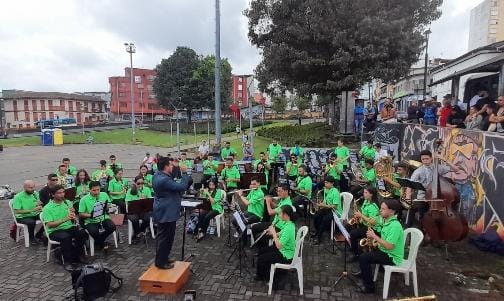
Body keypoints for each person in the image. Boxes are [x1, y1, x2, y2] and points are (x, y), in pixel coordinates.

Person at [355, 199, 404, 294]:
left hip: (392, 257)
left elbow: (389, 246)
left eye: (383, 209)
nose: (380, 211)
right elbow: (385, 239)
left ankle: (369, 288)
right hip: (386, 251)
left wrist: (374, 237)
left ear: (391, 211)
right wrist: (376, 243)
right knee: (365, 253)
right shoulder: (387, 221)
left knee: (363, 258)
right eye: (380, 208)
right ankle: (364, 272)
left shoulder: (395, 226)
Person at [153, 157, 192, 269]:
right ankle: (161, 262)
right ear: (166, 166)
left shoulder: (159, 174)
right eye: (170, 165)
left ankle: (163, 258)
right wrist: (184, 172)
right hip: (166, 212)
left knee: (166, 237)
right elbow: (182, 186)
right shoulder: (163, 180)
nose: (172, 167)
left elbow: (173, 176)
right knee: (165, 238)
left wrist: (176, 166)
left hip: (165, 211)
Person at [42, 184, 88, 264]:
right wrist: (65, 219)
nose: (62, 194)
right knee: (66, 237)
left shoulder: (67, 202)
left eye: (63, 192)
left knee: (82, 233)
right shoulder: (47, 208)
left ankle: (78, 255)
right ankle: (67, 261)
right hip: (55, 230)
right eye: (59, 193)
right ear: (53, 195)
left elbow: (72, 219)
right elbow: (50, 225)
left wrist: (73, 216)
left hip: (68, 227)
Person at [255, 205, 296, 282]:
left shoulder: (288, 228)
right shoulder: (289, 224)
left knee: (261, 258)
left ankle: (265, 277)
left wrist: (273, 233)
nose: (279, 215)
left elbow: (278, 246)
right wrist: (273, 233)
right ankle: (265, 273)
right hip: (284, 251)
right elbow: (281, 233)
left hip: (285, 255)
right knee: (261, 251)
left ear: (286, 215)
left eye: (280, 213)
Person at [79, 181, 117, 252]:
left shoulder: (104, 194)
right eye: (94, 190)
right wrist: (91, 215)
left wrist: (110, 207)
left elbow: (108, 204)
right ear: (89, 190)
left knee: (112, 227)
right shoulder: (83, 199)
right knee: (94, 231)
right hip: (90, 221)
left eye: (98, 190)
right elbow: (81, 214)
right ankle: (101, 243)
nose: (96, 192)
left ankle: (99, 241)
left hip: (103, 218)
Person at [348, 186, 381, 262]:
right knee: (348, 226)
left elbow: (372, 221)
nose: (364, 194)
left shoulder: (373, 207)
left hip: (373, 229)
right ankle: (354, 246)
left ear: (371, 194)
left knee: (353, 234)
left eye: (366, 192)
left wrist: (361, 216)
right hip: (365, 224)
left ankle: (356, 254)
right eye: (364, 192)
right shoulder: (366, 201)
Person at [12, 180, 43, 245]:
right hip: (22, 216)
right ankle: (31, 238)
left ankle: (39, 235)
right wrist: (32, 210)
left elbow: (37, 203)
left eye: (33, 187)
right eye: (30, 188)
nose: (33, 189)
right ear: (25, 187)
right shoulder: (18, 197)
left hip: (34, 213)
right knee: (31, 222)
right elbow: (16, 211)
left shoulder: (34, 193)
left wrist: (39, 205)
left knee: (46, 217)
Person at [312, 176, 341, 245]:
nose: (325, 184)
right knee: (316, 215)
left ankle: (319, 237)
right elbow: (325, 201)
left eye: (327, 183)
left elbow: (335, 206)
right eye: (325, 182)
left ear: (332, 183)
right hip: (327, 208)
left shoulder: (335, 192)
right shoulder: (325, 189)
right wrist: (321, 205)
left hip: (335, 211)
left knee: (324, 219)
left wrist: (324, 206)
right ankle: (317, 231)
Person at [125, 176, 153, 244]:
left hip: (144, 210)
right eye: (138, 183)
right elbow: (127, 201)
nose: (140, 185)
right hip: (133, 211)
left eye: (142, 183)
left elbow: (150, 201)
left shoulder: (147, 189)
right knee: (134, 219)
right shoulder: (130, 190)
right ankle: (138, 234)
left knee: (147, 218)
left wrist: (145, 200)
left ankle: (139, 233)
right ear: (135, 183)